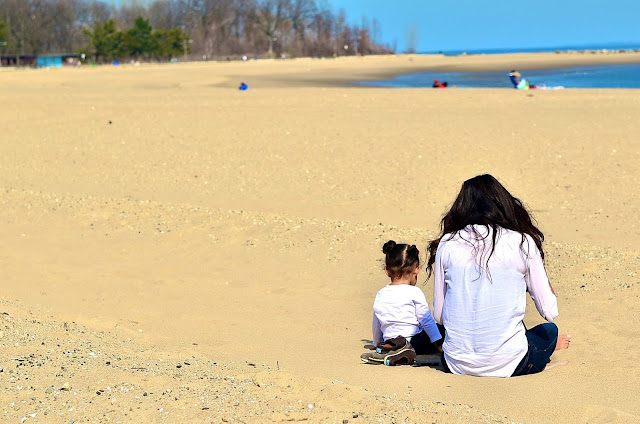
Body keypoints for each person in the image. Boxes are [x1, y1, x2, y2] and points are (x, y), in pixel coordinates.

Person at [426, 174, 571, 377]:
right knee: (549, 331)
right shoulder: (522, 241)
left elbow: (439, 316)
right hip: (511, 365)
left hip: (455, 364)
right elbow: (550, 310)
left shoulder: (448, 243)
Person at [372, 240, 444, 355]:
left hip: (390, 341)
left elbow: (377, 324)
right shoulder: (414, 292)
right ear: (416, 269)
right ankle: (406, 348)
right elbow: (425, 319)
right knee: (442, 329)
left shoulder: (381, 294)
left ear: (387, 270)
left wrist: (377, 343)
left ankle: (392, 348)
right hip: (415, 342)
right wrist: (438, 342)